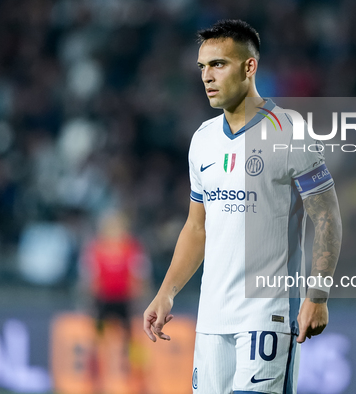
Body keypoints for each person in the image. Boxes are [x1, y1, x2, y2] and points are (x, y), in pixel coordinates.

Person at [143, 19, 342, 394]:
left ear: (249, 67)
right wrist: (166, 292)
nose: (207, 77)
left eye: (218, 64)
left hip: (267, 313)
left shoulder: (290, 131)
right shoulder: (202, 140)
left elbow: (327, 216)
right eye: (202, 67)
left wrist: (318, 296)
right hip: (213, 317)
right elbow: (197, 228)